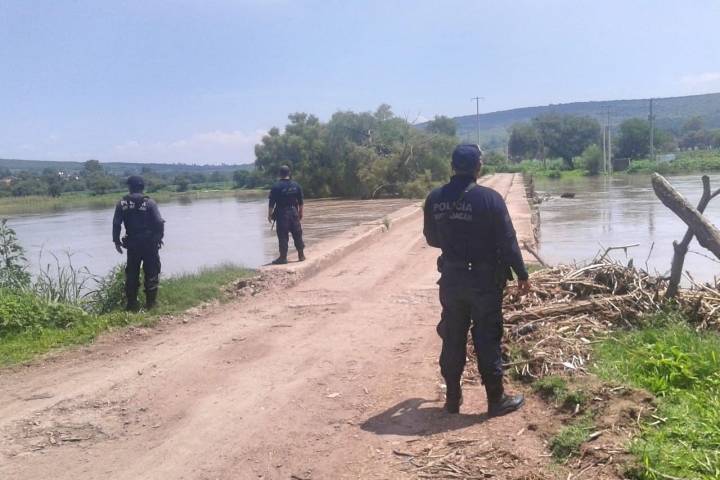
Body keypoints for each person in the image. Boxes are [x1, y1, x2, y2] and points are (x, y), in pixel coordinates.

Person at [423, 144, 530, 417]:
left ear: (452, 166)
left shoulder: (435, 198)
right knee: (487, 337)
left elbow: (432, 238)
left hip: (452, 278)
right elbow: (508, 241)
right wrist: (522, 274)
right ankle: (496, 400)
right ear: (478, 167)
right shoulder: (490, 199)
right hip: (484, 280)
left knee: (452, 336)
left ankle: (452, 399)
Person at [112, 175, 165, 311]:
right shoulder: (150, 203)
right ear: (142, 187)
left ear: (129, 187)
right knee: (152, 273)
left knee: (132, 274)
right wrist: (158, 238)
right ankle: (151, 304)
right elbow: (159, 222)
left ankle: (131, 305)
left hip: (133, 245)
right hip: (149, 244)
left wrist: (116, 242)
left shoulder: (122, 204)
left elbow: (116, 224)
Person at [268, 165, 305, 264]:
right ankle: (301, 255)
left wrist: (269, 215)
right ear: (289, 173)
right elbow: (301, 201)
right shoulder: (296, 185)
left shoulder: (276, 187)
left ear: (280, 174)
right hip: (294, 212)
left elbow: (271, 203)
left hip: (282, 213)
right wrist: (301, 213)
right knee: (297, 233)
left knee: (283, 235)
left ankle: (283, 258)